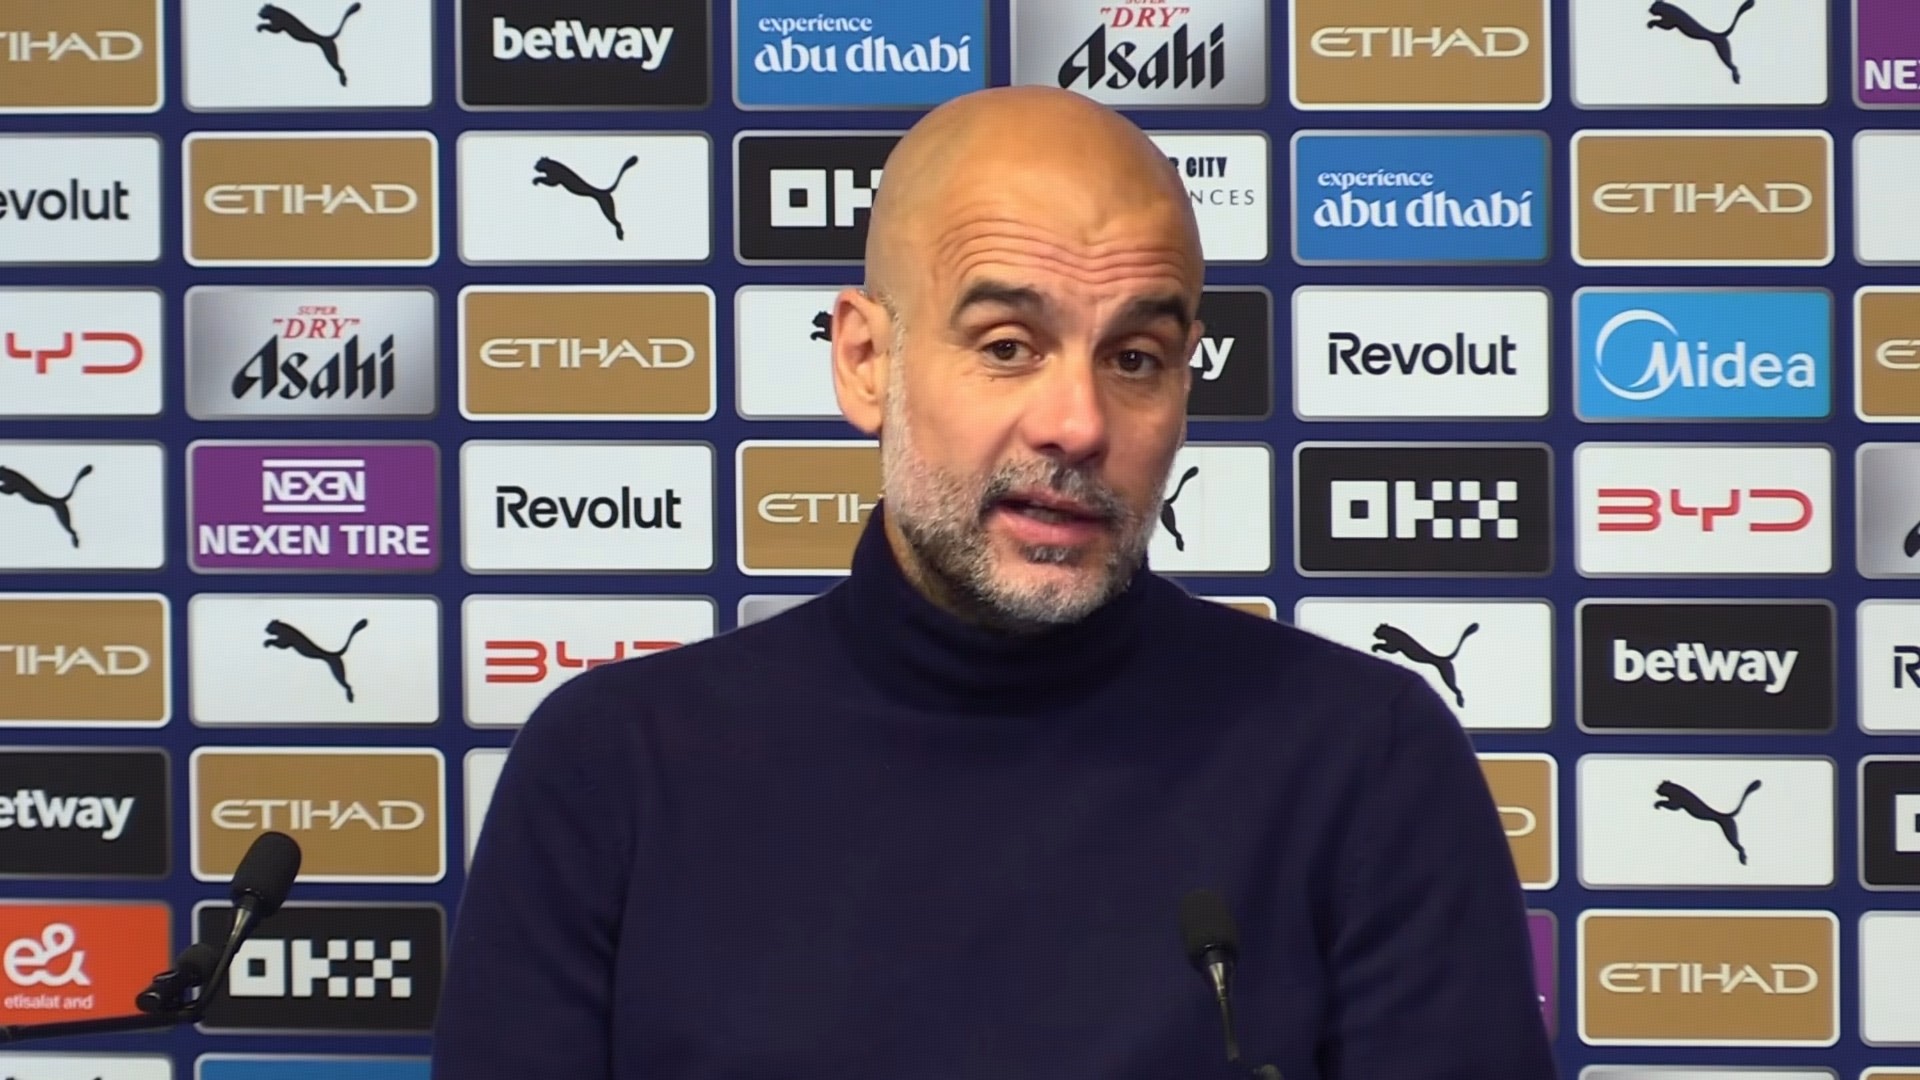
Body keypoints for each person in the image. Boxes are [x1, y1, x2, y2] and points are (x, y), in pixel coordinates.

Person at [433, 86, 1557, 1080]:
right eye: (1009, 345)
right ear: (866, 362)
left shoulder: (1365, 764)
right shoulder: (613, 772)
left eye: (1136, 358)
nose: (1077, 423)